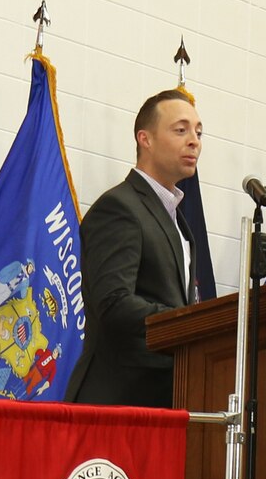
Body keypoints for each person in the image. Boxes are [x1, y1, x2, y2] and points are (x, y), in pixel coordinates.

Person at [64, 89, 202, 407]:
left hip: (165, 398)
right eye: (180, 130)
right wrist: (188, 323)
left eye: (198, 131)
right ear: (146, 139)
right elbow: (113, 304)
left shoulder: (179, 222)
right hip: (119, 401)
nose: (194, 140)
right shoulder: (120, 207)